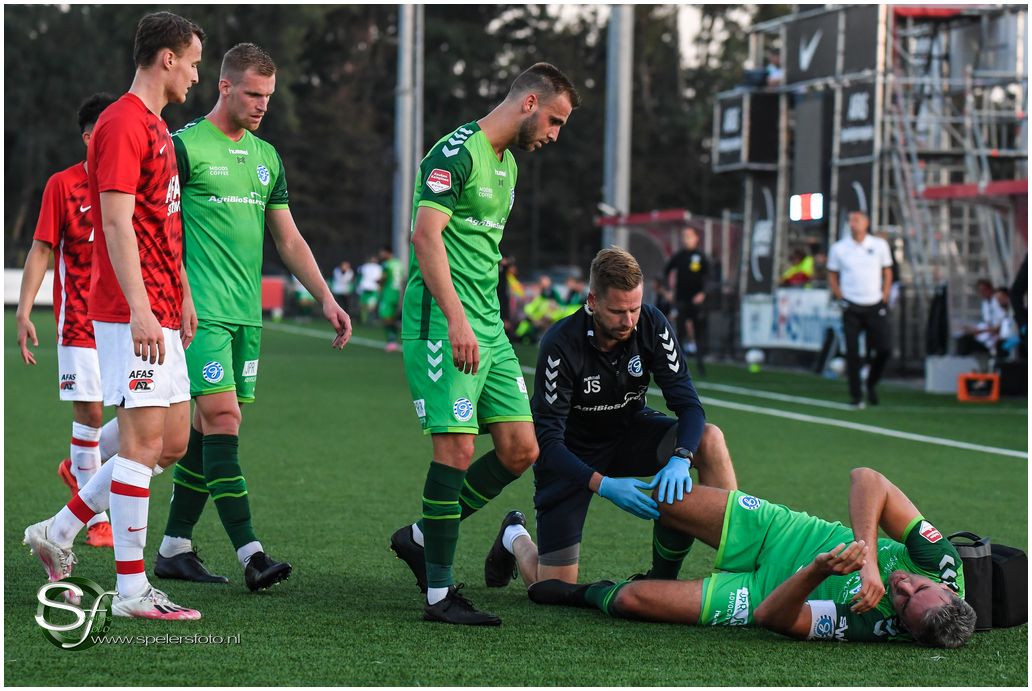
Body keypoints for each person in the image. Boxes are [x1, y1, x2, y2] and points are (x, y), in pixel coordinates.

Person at [23, 11, 206, 620]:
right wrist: (140, 309)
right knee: (142, 443)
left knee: (173, 441)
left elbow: (162, 222)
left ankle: (59, 528)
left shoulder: (155, 124)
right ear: (167, 59)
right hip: (131, 312)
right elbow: (116, 221)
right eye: (195, 62)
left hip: (158, 300)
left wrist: (180, 291)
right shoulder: (123, 122)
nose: (198, 75)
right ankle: (132, 592)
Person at [151, 43, 351, 591]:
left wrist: (326, 298)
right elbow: (161, 234)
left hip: (246, 319)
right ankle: (251, 553)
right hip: (199, 316)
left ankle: (173, 547)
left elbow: (287, 238)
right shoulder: (183, 147)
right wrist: (183, 292)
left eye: (268, 95)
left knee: (204, 430)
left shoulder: (267, 158)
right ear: (224, 87)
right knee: (223, 421)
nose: (262, 104)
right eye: (253, 94)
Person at [389, 62, 580, 626]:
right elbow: (425, 237)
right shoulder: (456, 153)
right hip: (444, 324)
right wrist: (457, 321)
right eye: (554, 119)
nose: (554, 133)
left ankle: (423, 536)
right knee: (456, 451)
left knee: (522, 447)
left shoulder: (510, 165)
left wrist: (484, 322)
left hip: (489, 328)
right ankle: (440, 596)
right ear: (528, 103)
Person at [482, 247, 734, 594]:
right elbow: (548, 443)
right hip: (571, 453)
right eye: (617, 311)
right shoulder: (560, 343)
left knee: (708, 439)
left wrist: (681, 458)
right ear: (593, 301)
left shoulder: (652, 324)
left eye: (634, 308)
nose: (629, 320)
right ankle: (515, 535)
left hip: (629, 433)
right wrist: (604, 484)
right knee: (553, 588)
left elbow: (689, 406)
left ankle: (724, 564)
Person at [529, 467, 976, 649]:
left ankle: (575, 590)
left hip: (757, 592)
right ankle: (572, 473)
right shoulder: (939, 560)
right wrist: (870, 563)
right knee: (663, 498)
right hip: (776, 532)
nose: (902, 587)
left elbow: (772, 616)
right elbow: (867, 479)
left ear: (904, 627)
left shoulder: (878, 626)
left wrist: (818, 569)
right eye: (914, 587)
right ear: (944, 588)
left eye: (902, 603)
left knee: (630, 602)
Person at [16, 93, 118, 549]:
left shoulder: (131, 184)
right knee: (92, 412)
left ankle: (78, 468)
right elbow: (42, 248)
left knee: (141, 421)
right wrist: (23, 309)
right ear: (89, 136)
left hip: (123, 319)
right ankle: (95, 513)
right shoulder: (63, 184)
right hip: (78, 318)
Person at [828, 211, 893, 408]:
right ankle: (856, 396)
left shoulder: (879, 245)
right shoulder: (840, 248)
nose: (853, 223)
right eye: (851, 220)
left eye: (857, 220)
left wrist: (884, 296)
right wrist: (841, 296)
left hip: (874, 304)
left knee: (884, 349)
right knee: (853, 353)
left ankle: (871, 383)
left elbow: (888, 272)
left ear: (867, 223)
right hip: (851, 306)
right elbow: (832, 274)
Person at [664, 227, 710, 360]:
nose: (686, 239)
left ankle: (701, 360)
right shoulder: (679, 256)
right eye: (684, 236)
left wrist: (703, 293)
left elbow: (708, 276)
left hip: (697, 301)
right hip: (681, 299)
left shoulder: (701, 257)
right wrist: (668, 290)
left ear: (696, 238)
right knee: (680, 330)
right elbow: (666, 271)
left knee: (698, 330)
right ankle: (677, 359)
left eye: (689, 236)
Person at [956, 278, 1006, 357]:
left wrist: (981, 331)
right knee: (962, 339)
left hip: (997, 339)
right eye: (980, 291)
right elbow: (987, 323)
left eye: (984, 290)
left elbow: (999, 326)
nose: (982, 293)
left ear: (990, 289)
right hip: (987, 336)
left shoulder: (997, 301)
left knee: (966, 342)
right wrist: (972, 329)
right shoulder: (985, 304)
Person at [378, 245, 403, 352]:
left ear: (388, 253)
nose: (381, 255)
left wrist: (378, 283)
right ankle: (393, 340)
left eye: (382, 252)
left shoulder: (386, 265)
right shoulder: (398, 264)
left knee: (386, 317)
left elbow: (383, 278)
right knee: (391, 317)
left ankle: (392, 340)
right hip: (396, 294)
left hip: (387, 294)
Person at [355, 255, 383, 324]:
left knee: (370, 306)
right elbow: (360, 274)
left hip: (372, 288)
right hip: (366, 288)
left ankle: (369, 320)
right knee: (363, 305)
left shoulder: (377, 267)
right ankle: (364, 319)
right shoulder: (367, 266)